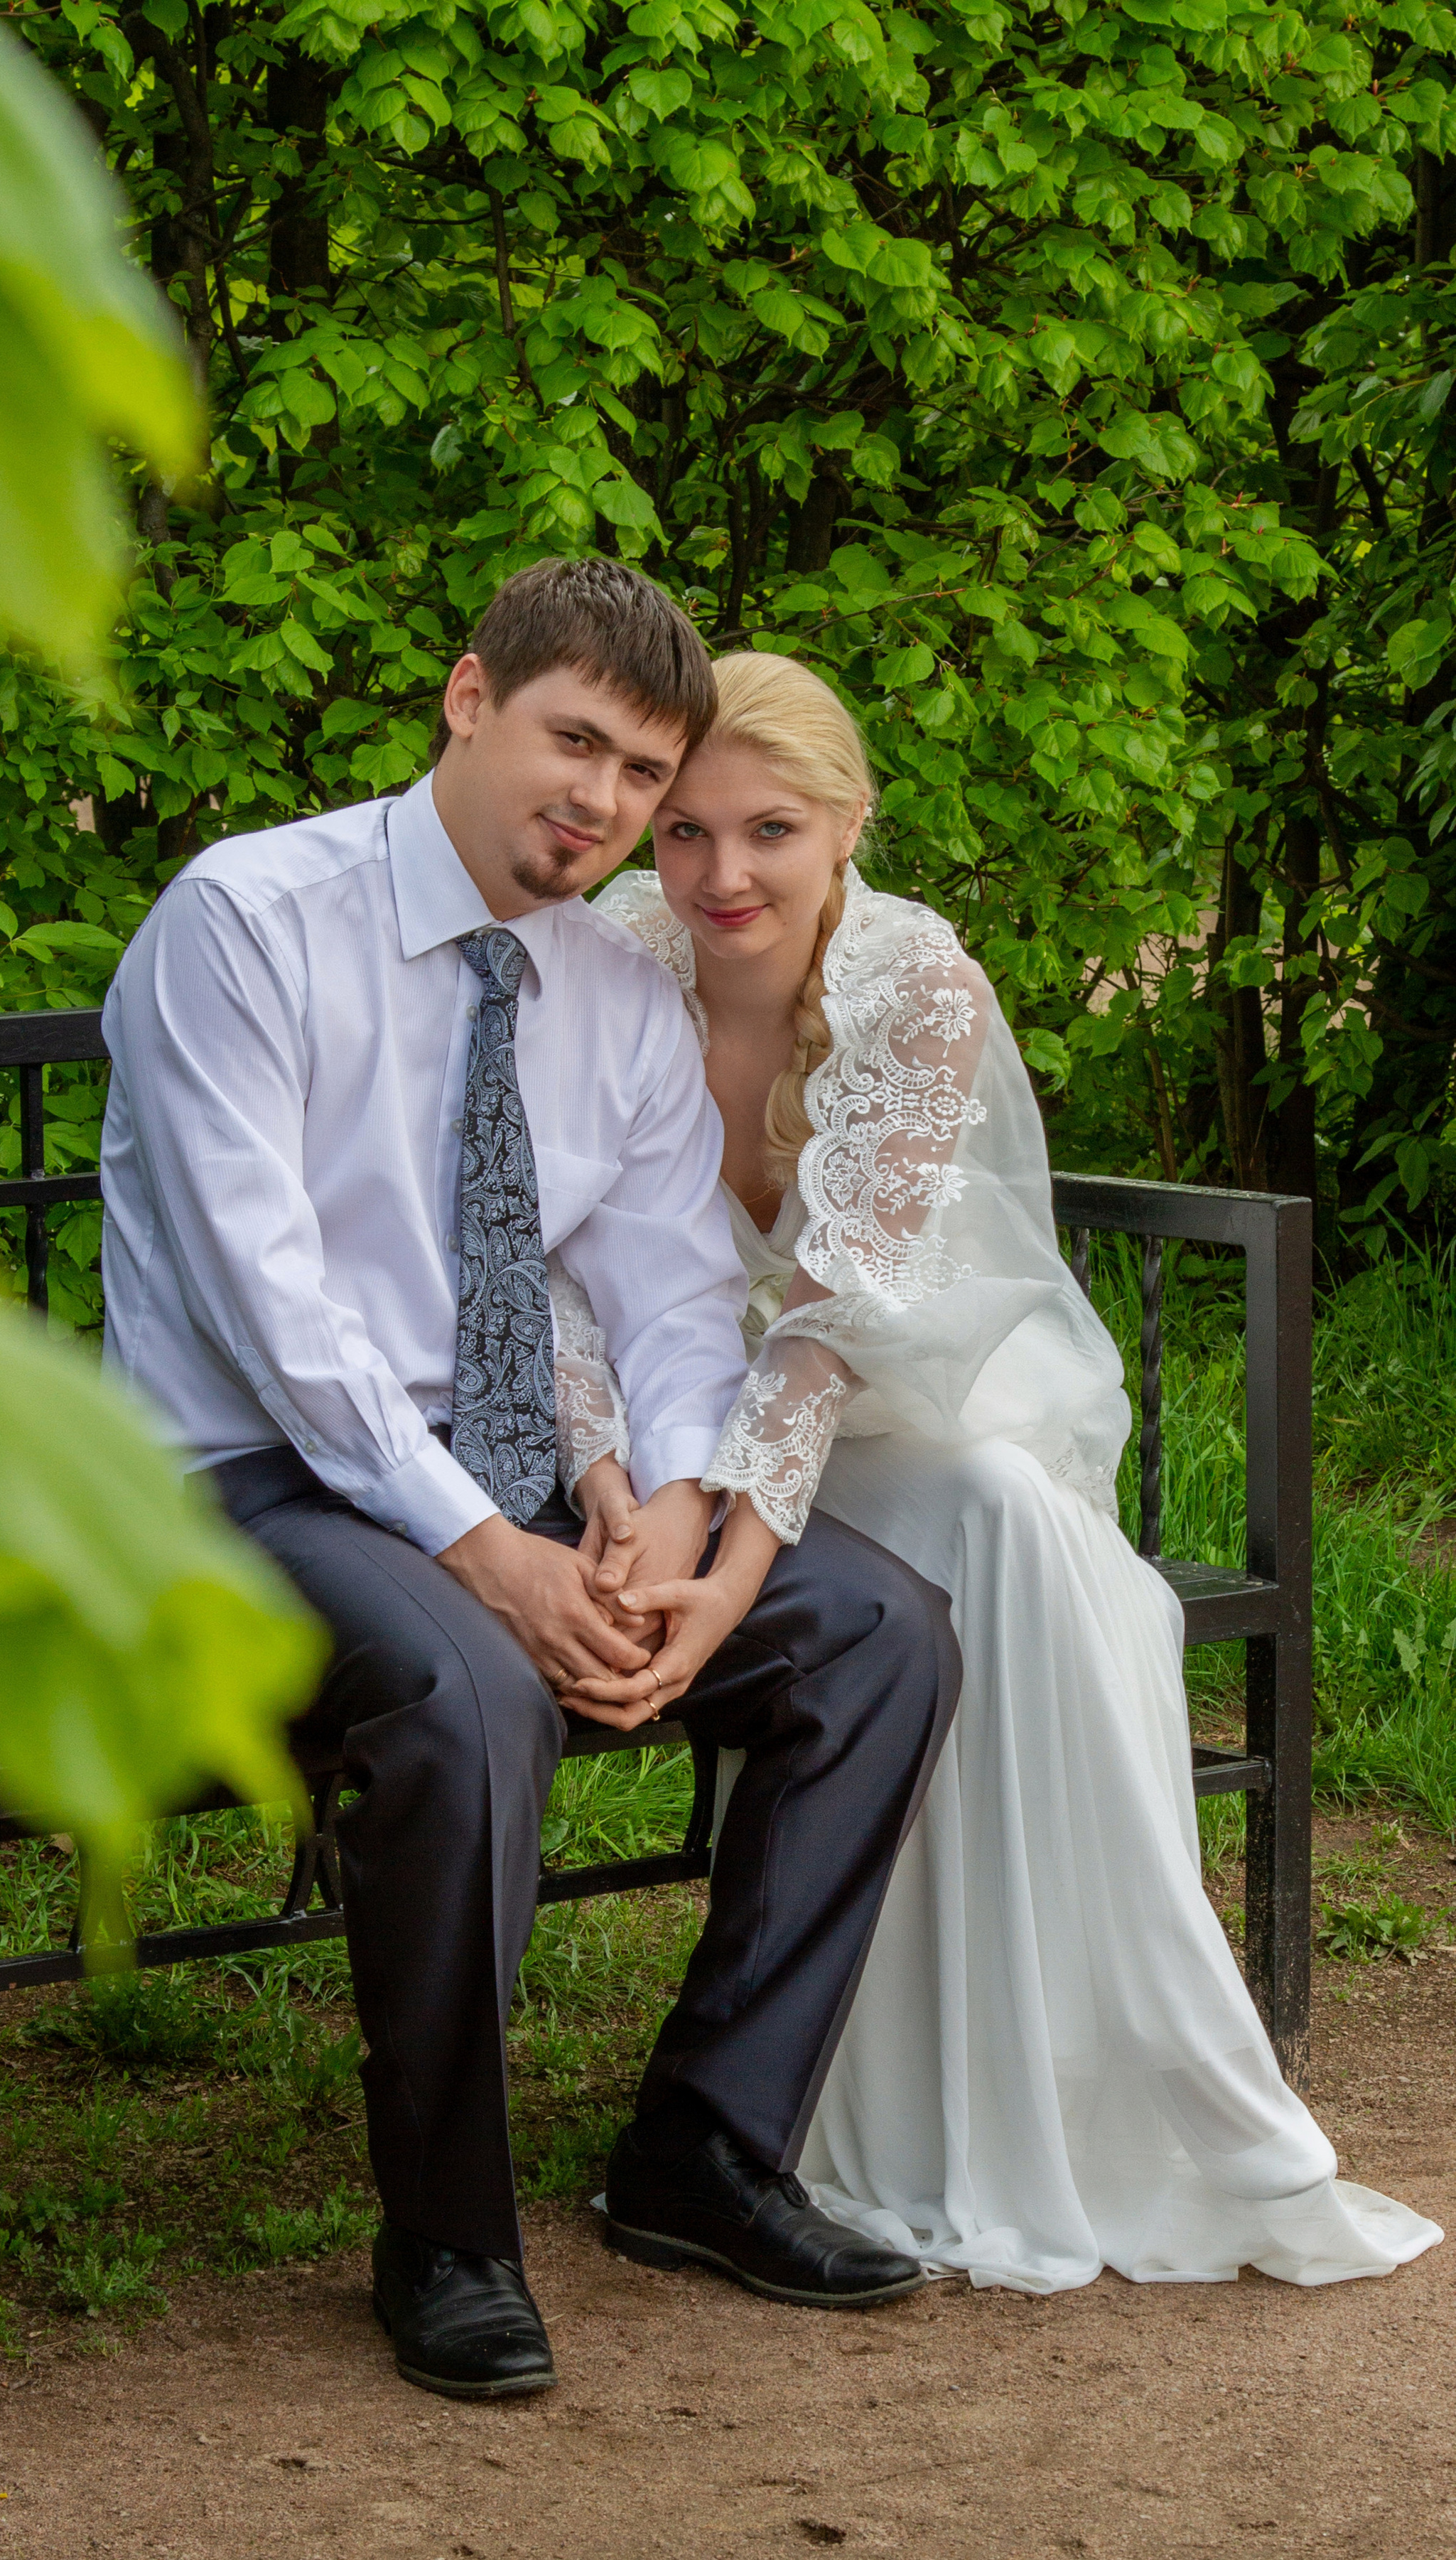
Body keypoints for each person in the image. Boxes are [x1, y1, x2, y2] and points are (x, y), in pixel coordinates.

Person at [98, 563, 962, 2402]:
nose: (604, 799)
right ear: (469, 699)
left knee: (880, 1632)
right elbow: (280, 1320)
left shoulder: (612, 996)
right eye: (577, 738)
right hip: (237, 1487)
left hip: (499, 1487)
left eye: (645, 773)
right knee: (473, 1685)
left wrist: (657, 1512)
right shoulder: (247, 923)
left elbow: (661, 1291)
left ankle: (703, 2147)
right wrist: (499, 1555)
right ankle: (451, 2236)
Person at [561, 650, 1441, 2293]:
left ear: (849, 825)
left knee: (1009, 1525)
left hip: (903, 1388)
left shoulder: (916, 984)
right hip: (672, 1414)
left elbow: (833, 1324)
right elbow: (561, 1264)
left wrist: (731, 1571)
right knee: (924, 1584)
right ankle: (837, 2104)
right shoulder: (604, 960)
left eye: (769, 830)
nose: (719, 876)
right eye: (679, 832)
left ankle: (1072, 2073)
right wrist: (637, 1493)